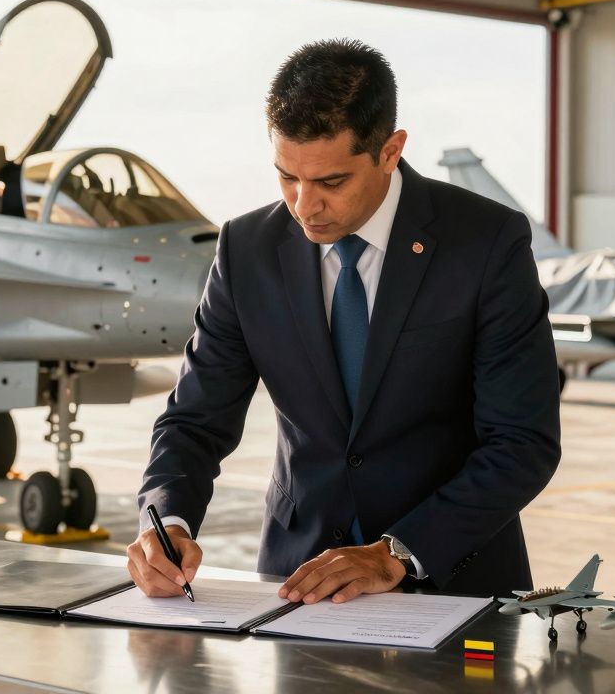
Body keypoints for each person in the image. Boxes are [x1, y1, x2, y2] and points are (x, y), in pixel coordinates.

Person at [129, 39, 561, 602]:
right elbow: (194, 420)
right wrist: (166, 522)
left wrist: (399, 551)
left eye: (331, 182)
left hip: (456, 582)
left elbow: (522, 442)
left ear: (390, 150)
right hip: (296, 583)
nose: (304, 205)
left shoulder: (486, 241)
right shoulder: (246, 249)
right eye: (287, 177)